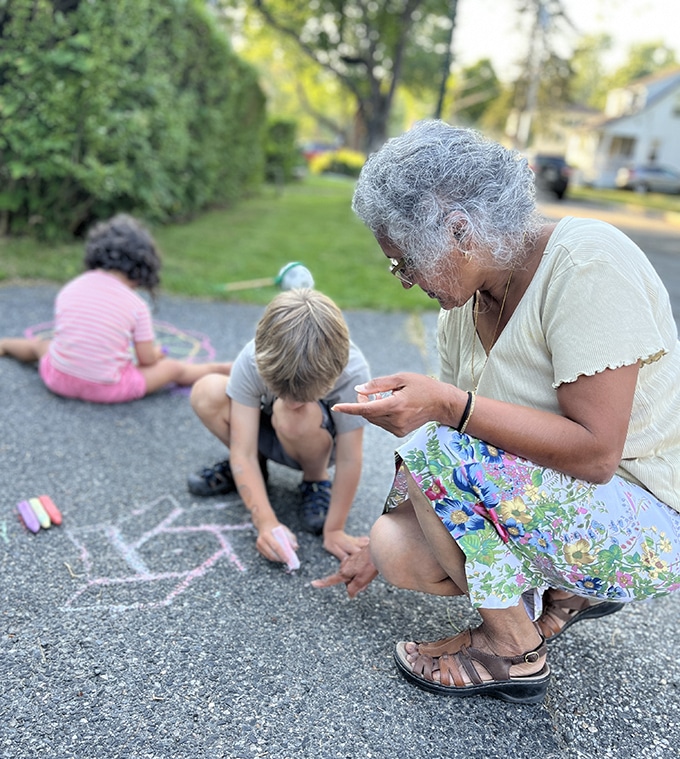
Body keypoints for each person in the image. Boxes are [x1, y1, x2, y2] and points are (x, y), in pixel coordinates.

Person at [312, 120, 680, 704]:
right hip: (556, 505)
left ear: (461, 232)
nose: (404, 281)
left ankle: (514, 648)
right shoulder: (463, 305)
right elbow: (466, 459)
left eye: (403, 261)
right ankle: (563, 593)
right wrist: (376, 540)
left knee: (436, 438)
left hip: (645, 521)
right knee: (393, 545)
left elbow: (596, 453)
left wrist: (446, 406)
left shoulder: (588, 264)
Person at [187, 288, 371, 565]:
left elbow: (349, 458)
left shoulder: (353, 371)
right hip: (265, 432)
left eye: (303, 397)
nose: (293, 401)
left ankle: (315, 479)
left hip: (315, 441)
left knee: (294, 415)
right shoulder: (254, 359)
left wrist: (334, 529)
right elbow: (243, 451)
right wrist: (265, 522)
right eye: (281, 391)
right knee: (206, 391)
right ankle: (253, 475)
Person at [0, 214, 232, 403]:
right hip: (108, 389)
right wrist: (157, 353)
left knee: (41, 345)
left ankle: (4, 345)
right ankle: (218, 369)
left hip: (57, 378)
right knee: (172, 368)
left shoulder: (70, 287)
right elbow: (146, 361)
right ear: (141, 270)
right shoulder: (136, 305)